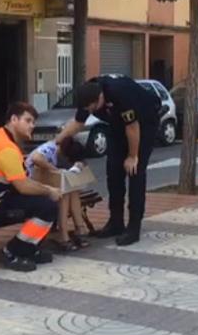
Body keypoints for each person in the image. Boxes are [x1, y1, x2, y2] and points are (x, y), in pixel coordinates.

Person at [58, 75, 161, 246]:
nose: (90, 112)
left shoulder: (119, 93)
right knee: (113, 171)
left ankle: (133, 227)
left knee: (134, 172)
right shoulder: (88, 94)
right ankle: (116, 222)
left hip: (144, 124)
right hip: (118, 127)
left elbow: (132, 127)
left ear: (100, 98)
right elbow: (77, 123)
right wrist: (56, 141)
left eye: (92, 108)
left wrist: (132, 156)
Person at [0, 102, 62, 273]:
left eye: (33, 122)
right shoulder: (5, 147)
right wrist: (49, 190)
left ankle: (29, 249)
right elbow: (23, 186)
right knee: (47, 206)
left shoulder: (1, 138)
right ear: (13, 119)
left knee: (43, 202)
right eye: (28, 121)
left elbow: (21, 181)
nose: (32, 126)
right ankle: (12, 251)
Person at [26, 137, 91, 252]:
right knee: (63, 192)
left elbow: (82, 161)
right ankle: (64, 235)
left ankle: (79, 229)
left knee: (72, 190)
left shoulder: (67, 150)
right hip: (32, 183)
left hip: (46, 182)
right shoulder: (50, 148)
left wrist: (78, 165)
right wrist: (55, 169)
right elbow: (35, 158)